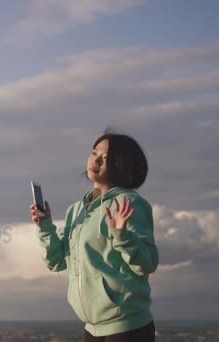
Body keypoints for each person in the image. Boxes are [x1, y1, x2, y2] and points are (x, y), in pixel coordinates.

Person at [30, 131, 159, 341]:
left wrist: (122, 235)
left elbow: (148, 263)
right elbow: (56, 262)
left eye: (105, 158)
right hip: (91, 329)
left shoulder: (128, 203)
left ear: (121, 164)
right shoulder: (77, 210)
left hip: (127, 327)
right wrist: (45, 226)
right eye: (94, 153)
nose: (95, 160)